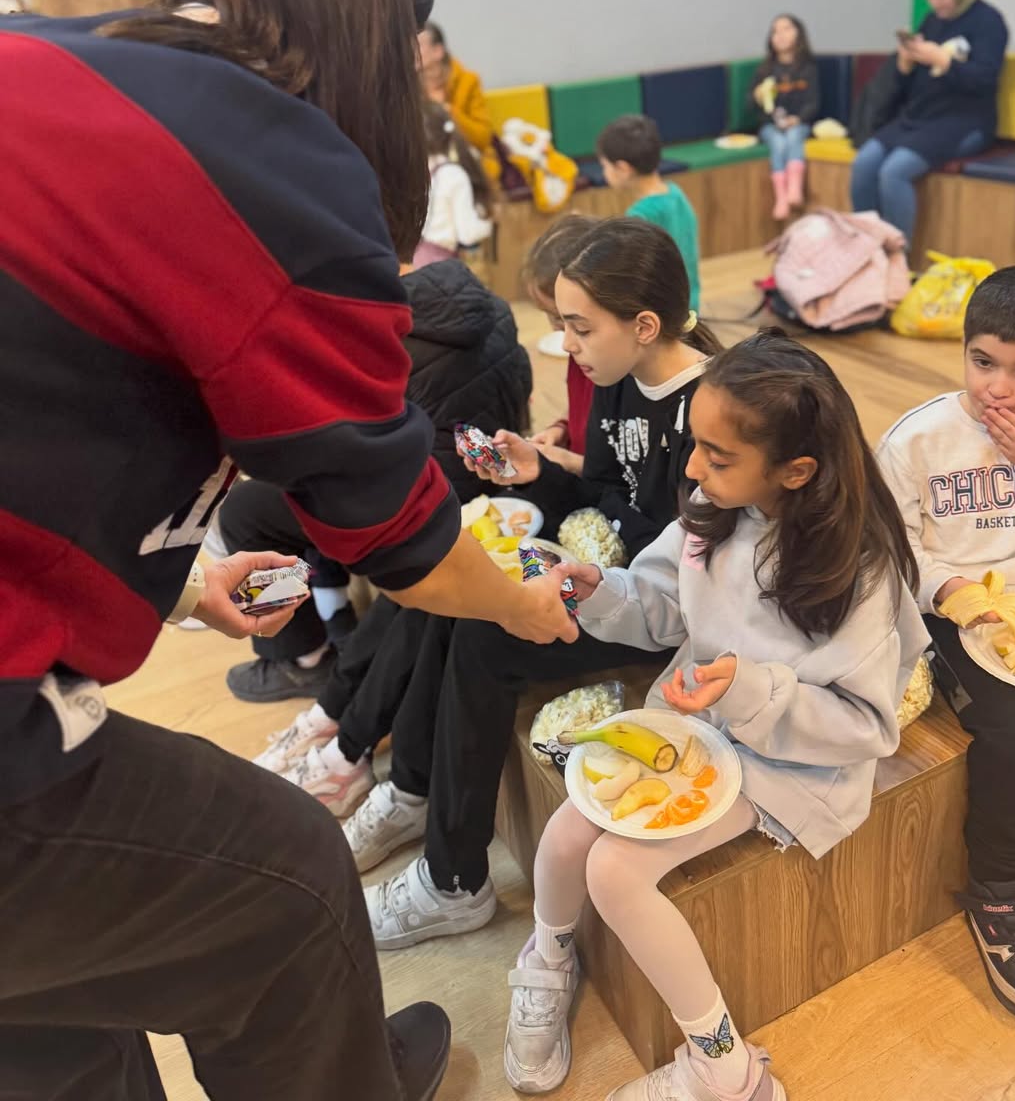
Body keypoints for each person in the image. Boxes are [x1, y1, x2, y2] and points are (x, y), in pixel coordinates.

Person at [0, 0, 576, 1101]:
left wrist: (175, 585)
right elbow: (401, 537)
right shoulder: (273, 157)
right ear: (379, 34)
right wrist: (526, 601)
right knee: (285, 885)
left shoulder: (43, 56)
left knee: (51, 1000)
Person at [503, 330, 928, 1100]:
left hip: (793, 763)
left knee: (616, 870)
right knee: (571, 826)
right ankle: (548, 957)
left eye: (718, 456)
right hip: (699, 725)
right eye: (695, 444)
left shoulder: (856, 568)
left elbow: (866, 727)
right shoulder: (714, 504)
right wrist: (594, 585)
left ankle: (727, 1070)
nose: (693, 468)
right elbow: (663, 607)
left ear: (797, 470)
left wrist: (745, 688)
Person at [361, 218, 722, 946]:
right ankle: (414, 788)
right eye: (562, 324)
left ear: (645, 325)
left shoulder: (709, 409)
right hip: (603, 577)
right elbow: (601, 500)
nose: (568, 345)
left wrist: (566, 578)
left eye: (579, 327)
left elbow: (683, 576)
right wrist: (539, 475)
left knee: (487, 632)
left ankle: (455, 880)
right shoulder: (621, 376)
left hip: (659, 616)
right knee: (460, 580)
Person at [876, 266, 1015, 1025]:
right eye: (983, 361)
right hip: (967, 621)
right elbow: (895, 549)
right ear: (962, 350)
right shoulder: (916, 439)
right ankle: (998, 896)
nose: (999, 387)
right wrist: (950, 593)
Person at [221, 248, 533, 708]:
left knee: (246, 510)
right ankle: (333, 606)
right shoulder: (491, 303)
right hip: (493, 479)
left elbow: (336, 456)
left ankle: (301, 657)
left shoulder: (365, 337)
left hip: (421, 500)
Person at [850, 0, 1008, 245]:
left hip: (966, 121)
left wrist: (943, 60)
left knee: (894, 172)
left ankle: (899, 261)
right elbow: (908, 85)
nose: (936, 3)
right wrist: (904, 65)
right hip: (920, 117)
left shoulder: (989, 22)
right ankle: (866, 252)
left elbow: (985, 80)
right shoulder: (932, 21)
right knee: (864, 162)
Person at [596, 114, 701, 312]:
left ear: (623, 168)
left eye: (605, 166)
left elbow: (632, 276)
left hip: (664, 313)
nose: (603, 172)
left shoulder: (639, 215)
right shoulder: (675, 192)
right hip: (690, 303)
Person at [525, 211, 599, 476]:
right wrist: (561, 429)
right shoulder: (579, 347)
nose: (560, 333)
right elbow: (583, 411)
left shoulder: (610, 365)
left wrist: (569, 462)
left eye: (561, 318)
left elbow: (622, 475)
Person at [750, 15, 819, 222]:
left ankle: (794, 188)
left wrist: (797, 119)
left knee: (793, 136)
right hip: (770, 126)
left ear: (799, 34)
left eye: (786, 29)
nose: (780, 35)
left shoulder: (808, 69)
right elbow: (751, 106)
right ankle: (781, 196)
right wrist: (757, 97)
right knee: (778, 142)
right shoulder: (764, 70)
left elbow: (814, 103)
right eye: (775, 31)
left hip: (798, 124)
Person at [415, 99, 495, 266]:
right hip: (441, 266)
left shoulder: (415, 173)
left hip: (413, 261)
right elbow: (468, 234)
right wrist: (489, 224)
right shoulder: (453, 175)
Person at [419, 20, 499, 181]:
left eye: (418, 45)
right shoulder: (407, 90)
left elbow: (483, 138)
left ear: (438, 51)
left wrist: (447, 111)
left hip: (468, 160)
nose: (408, 51)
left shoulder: (468, 82)